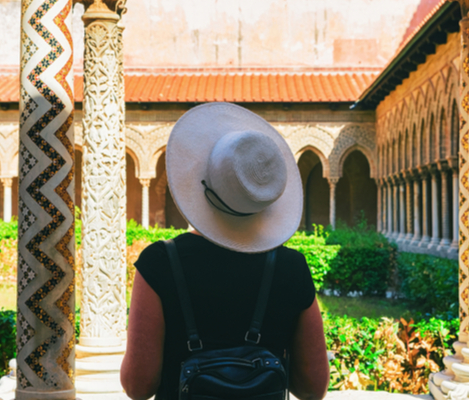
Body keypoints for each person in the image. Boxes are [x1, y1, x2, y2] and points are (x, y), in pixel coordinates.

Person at [120, 102, 329, 400]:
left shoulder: (160, 263)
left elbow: (137, 387)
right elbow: (313, 388)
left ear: (203, 182)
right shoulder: (291, 266)